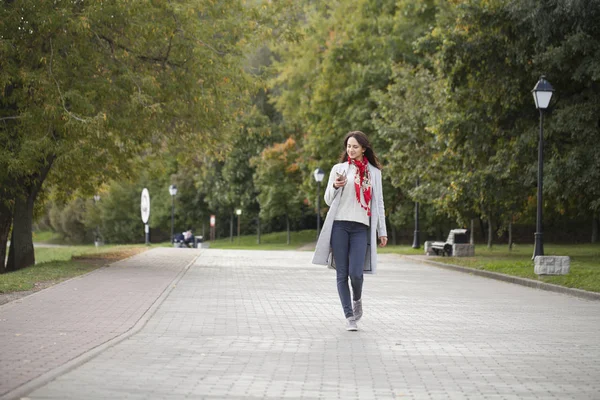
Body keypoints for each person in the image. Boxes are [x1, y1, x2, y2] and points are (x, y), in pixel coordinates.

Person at [312, 131, 387, 331]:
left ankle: (357, 299)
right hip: (340, 225)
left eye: (355, 146)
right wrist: (336, 186)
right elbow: (328, 199)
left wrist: (382, 230)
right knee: (342, 273)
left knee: (356, 273)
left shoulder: (374, 173)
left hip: (360, 228)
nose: (350, 150)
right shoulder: (339, 169)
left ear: (364, 149)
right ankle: (349, 316)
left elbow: (378, 203)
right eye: (348, 146)